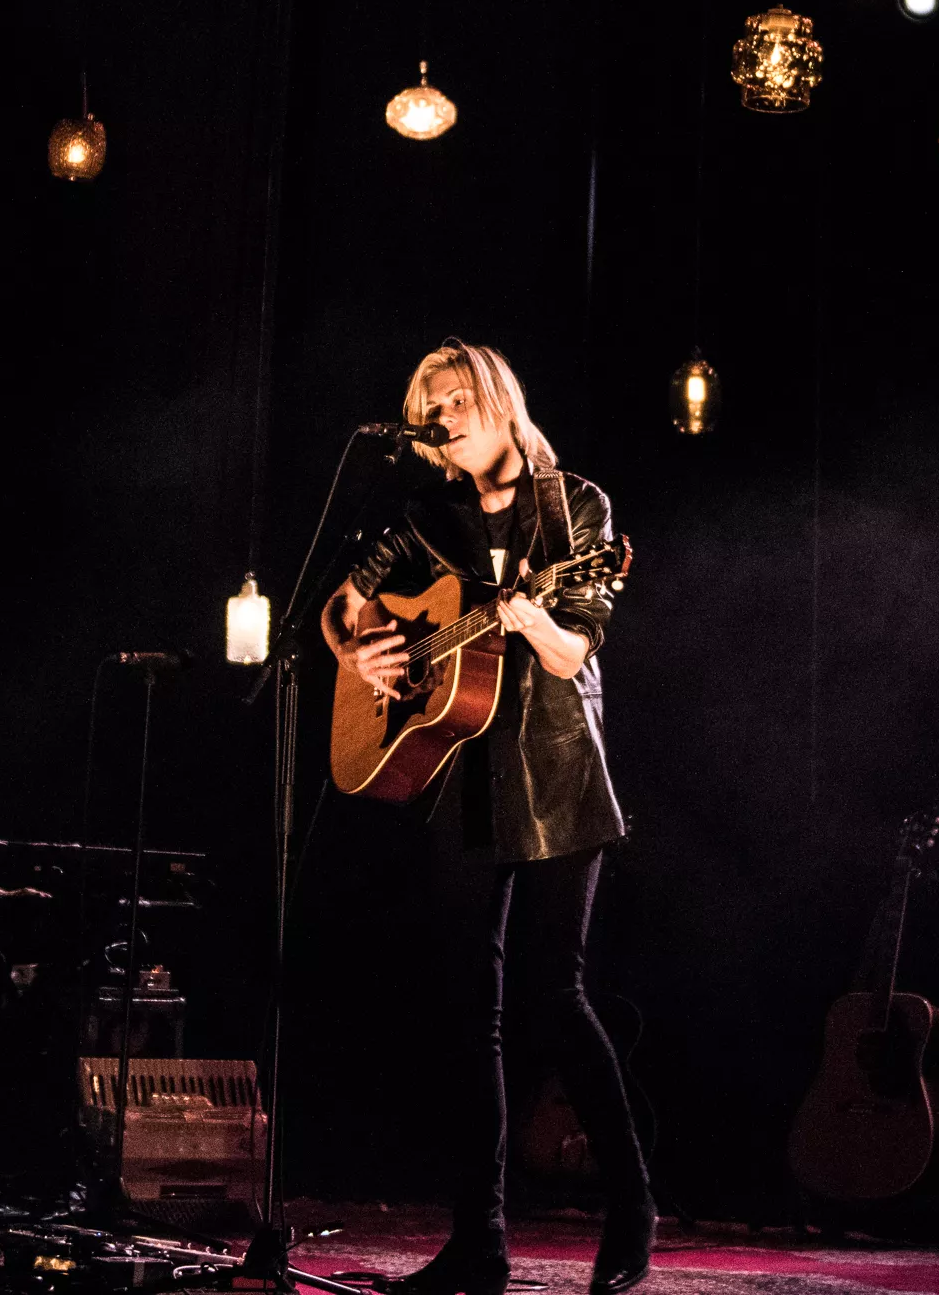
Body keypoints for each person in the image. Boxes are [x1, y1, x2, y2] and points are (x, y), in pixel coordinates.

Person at [321, 342, 654, 1295]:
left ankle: (631, 1209)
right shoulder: (423, 519)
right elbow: (341, 608)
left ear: (499, 399)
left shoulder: (573, 507)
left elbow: (566, 653)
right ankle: (481, 1241)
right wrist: (360, 658)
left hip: (553, 773)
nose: (444, 415)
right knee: (469, 1012)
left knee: (557, 996)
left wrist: (529, 618)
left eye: (458, 397)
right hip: (461, 773)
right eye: (429, 403)